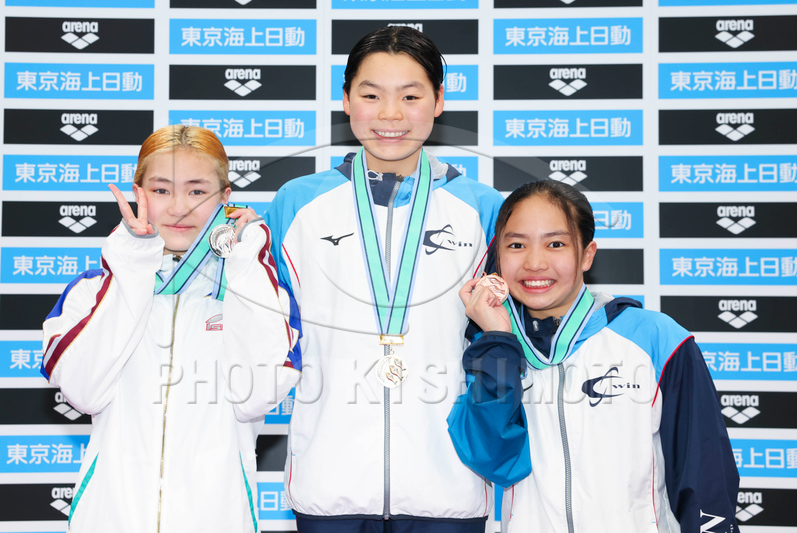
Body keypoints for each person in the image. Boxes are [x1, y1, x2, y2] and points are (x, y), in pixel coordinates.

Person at [264, 26, 504, 532]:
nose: (390, 114)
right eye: (371, 95)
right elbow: (267, 328)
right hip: (329, 484)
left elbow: (501, 337)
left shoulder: (482, 208)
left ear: (438, 102)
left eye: (410, 96)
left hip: (450, 485)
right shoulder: (297, 204)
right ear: (346, 100)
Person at [40, 125, 298, 532]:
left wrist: (247, 262)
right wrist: (132, 265)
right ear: (138, 194)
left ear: (226, 198)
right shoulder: (92, 291)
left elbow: (256, 396)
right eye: (161, 190)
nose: (179, 208)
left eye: (198, 191)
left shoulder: (254, 292)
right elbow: (84, 392)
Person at [447, 179, 740, 533]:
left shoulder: (654, 338)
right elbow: (494, 459)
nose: (535, 262)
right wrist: (497, 342)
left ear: (587, 254)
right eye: (517, 245)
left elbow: (704, 477)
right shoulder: (491, 346)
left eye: (556, 244)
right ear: (498, 256)